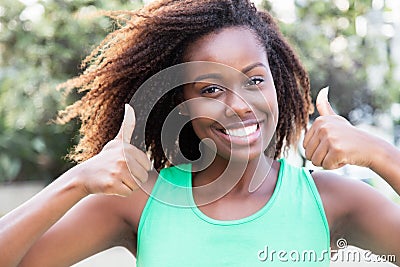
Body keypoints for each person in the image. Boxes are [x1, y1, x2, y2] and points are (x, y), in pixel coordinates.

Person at [1, 0, 399, 266]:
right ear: (181, 105)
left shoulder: (331, 200)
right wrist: (75, 181)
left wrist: (381, 154)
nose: (241, 104)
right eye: (211, 89)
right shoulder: (139, 202)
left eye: (255, 80)